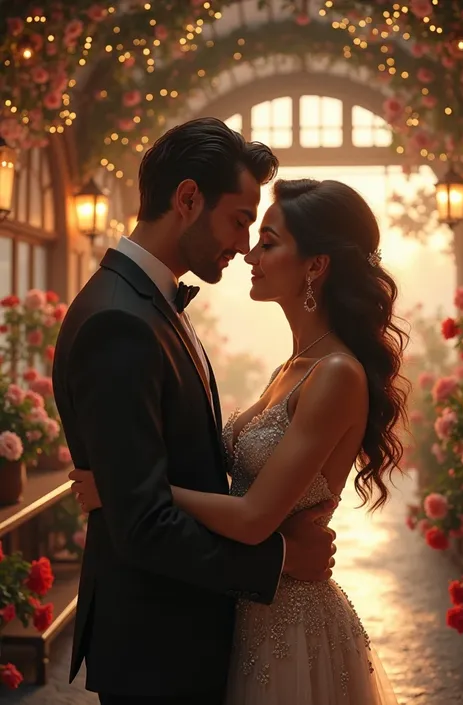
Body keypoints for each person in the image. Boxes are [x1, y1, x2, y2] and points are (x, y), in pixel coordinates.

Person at [73, 177, 409, 704]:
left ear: (316, 265)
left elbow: (253, 516)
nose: (250, 252)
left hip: (292, 625)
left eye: (269, 241)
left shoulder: (337, 373)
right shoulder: (293, 367)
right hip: (248, 609)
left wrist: (124, 491)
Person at [52, 118, 337, 705]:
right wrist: (282, 559)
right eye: (238, 220)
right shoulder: (119, 321)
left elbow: (154, 485)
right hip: (159, 649)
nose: (242, 244)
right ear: (187, 199)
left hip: (181, 639)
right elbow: (145, 525)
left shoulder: (147, 304)